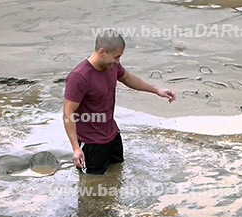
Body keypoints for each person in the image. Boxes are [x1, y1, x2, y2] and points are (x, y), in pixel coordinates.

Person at [63, 29, 176, 175]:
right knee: (92, 188)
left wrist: (157, 90)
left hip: (113, 136)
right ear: (102, 51)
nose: (118, 62)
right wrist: (75, 148)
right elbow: (68, 113)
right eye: (116, 57)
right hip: (91, 144)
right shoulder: (79, 77)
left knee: (116, 176)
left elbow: (128, 78)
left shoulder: (112, 66)